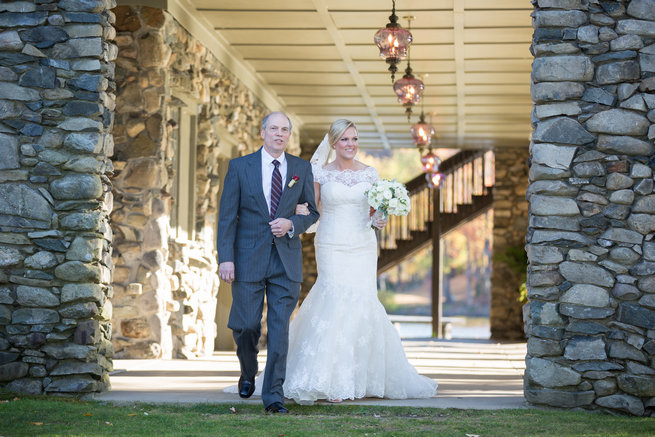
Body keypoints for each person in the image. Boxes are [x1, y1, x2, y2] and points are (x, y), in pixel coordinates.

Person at [243, 119, 438, 404]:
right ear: (333, 143)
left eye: (354, 139)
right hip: (331, 242)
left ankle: (360, 377)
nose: (350, 144)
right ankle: (329, 378)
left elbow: (373, 213)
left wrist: (379, 218)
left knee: (362, 300)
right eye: (345, 139)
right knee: (333, 297)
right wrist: (295, 212)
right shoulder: (319, 172)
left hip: (362, 244)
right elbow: (313, 209)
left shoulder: (370, 173)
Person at [217, 112, 319, 414]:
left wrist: (291, 224)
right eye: (273, 128)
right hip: (247, 258)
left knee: (278, 331)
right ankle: (248, 370)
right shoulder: (240, 167)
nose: (279, 134)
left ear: (289, 135)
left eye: (285, 129)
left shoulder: (301, 168)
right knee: (247, 325)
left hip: (285, 261)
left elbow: (312, 212)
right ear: (262, 132)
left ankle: (274, 396)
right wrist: (226, 258)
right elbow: (226, 218)